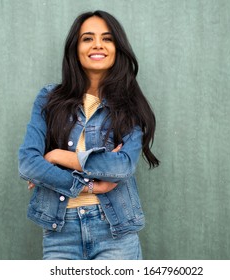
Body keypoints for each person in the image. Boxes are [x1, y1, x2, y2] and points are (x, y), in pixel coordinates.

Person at [18, 10, 159, 260]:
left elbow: (122, 167)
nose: (97, 45)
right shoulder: (48, 100)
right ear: (75, 48)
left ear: (117, 48)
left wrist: (56, 156)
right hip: (60, 234)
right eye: (87, 38)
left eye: (107, 38)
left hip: (116, 233)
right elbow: (28, 163)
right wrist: (91, 185)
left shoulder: (129, 105)